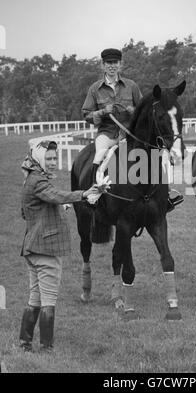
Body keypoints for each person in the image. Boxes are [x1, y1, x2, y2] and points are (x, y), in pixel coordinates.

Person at [19, 140, 111, 352]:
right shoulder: (38, 182)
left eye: (55, 158)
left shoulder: (31, 179)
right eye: (49, 158)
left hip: (33, 248)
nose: (52, 162)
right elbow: (56, 195)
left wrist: (57, 209)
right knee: (49, 299)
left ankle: (25, 343)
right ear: (39, 158)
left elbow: (28, 211)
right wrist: (84, 193)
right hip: (45, 249)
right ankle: (46, 348)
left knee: (35, 297)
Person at [82, 47, 183, 211]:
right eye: (108, 63)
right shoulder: (94, 89)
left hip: (131, 134)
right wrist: (102, 112)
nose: (112, 66)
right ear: (103, 65)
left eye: (115, 63)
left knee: (156, 154)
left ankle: (167, 193)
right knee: (100, 154)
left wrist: (133, 111)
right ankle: (93, 194)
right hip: (107, 133)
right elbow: (86, 115)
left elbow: (146, 111)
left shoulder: (132, 86)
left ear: (120, 64)